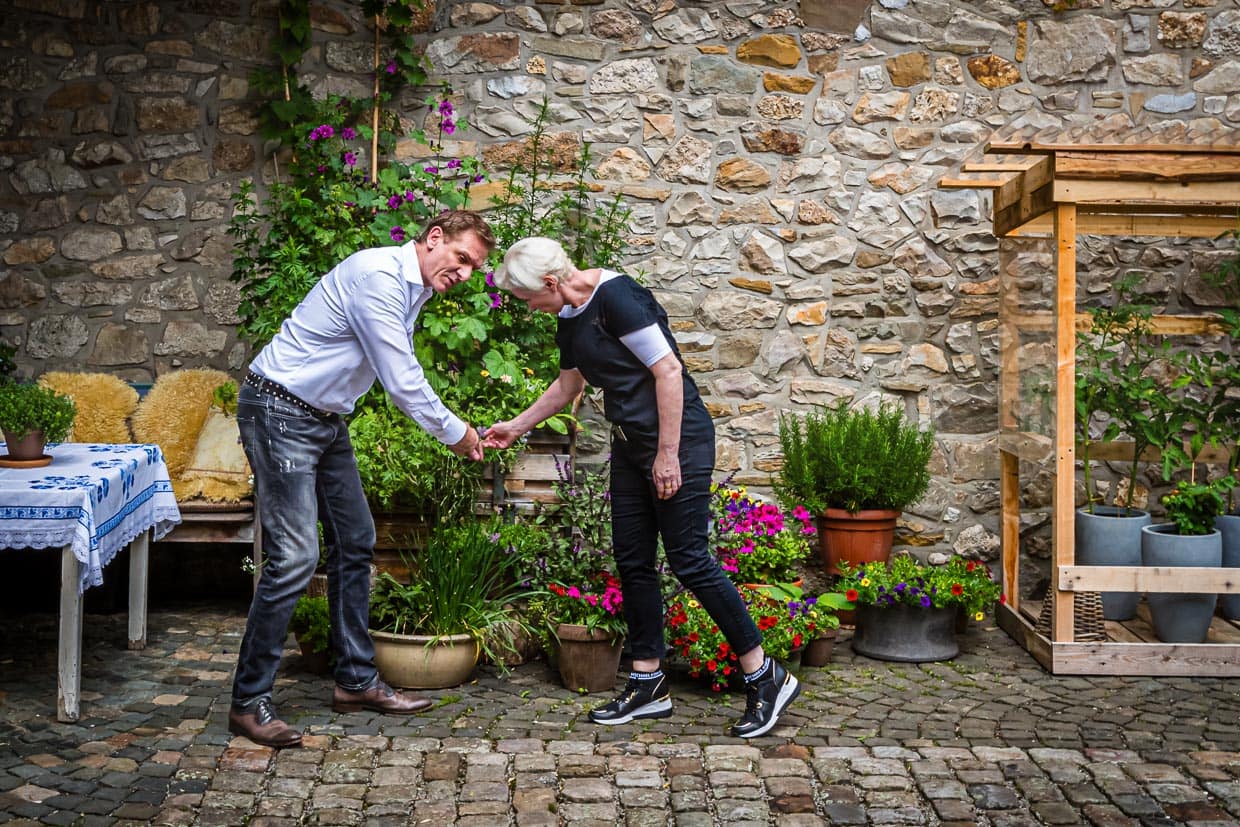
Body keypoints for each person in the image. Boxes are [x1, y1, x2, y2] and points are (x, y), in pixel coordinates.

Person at [482, 237, 799, 738]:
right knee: (632, 560)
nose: (528, 310)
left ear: (549, 283)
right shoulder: (569, 314)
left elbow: (668, 369)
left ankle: (765, 675)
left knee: (690, 560)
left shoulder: (618, 298)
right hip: (631, 446)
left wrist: (668, 455)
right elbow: (569, 387)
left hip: (678, 442)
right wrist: (516, 426)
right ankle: (648, 682)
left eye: (527, 299)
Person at [228, 210, 493, 748]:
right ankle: (248, 701)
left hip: (324, 419)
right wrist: (459, 432)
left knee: (356, 540)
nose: (465, 274)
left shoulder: (413, 288)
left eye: (474, 269)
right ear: (434, 238)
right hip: (280, 410)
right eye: (462, 259)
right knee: (295, 556)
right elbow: (401, 380)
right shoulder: (377, 278)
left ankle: (354, 681)